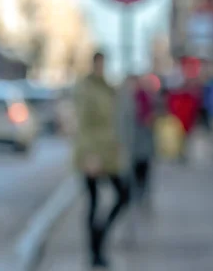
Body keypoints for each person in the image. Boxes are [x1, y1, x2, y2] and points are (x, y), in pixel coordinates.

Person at [74, 52, 129, 268]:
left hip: (108, 151)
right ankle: (94, 252)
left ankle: (100, 237)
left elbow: (114, 120)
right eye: (99, 63)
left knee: (123, 195)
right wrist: (89, 156)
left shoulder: (108, 88)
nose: (102, 67)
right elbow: (83, 125)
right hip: (92, 153)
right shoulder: (86, 89)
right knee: (93, 203)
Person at [131, 75, 155, 208]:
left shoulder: (145, 97)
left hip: (143, 142)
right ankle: (139, 193)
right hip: (135, 143)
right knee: (137, 170)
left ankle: (142, 194)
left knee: (143, 169)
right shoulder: (130, 99)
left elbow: (150, 117)